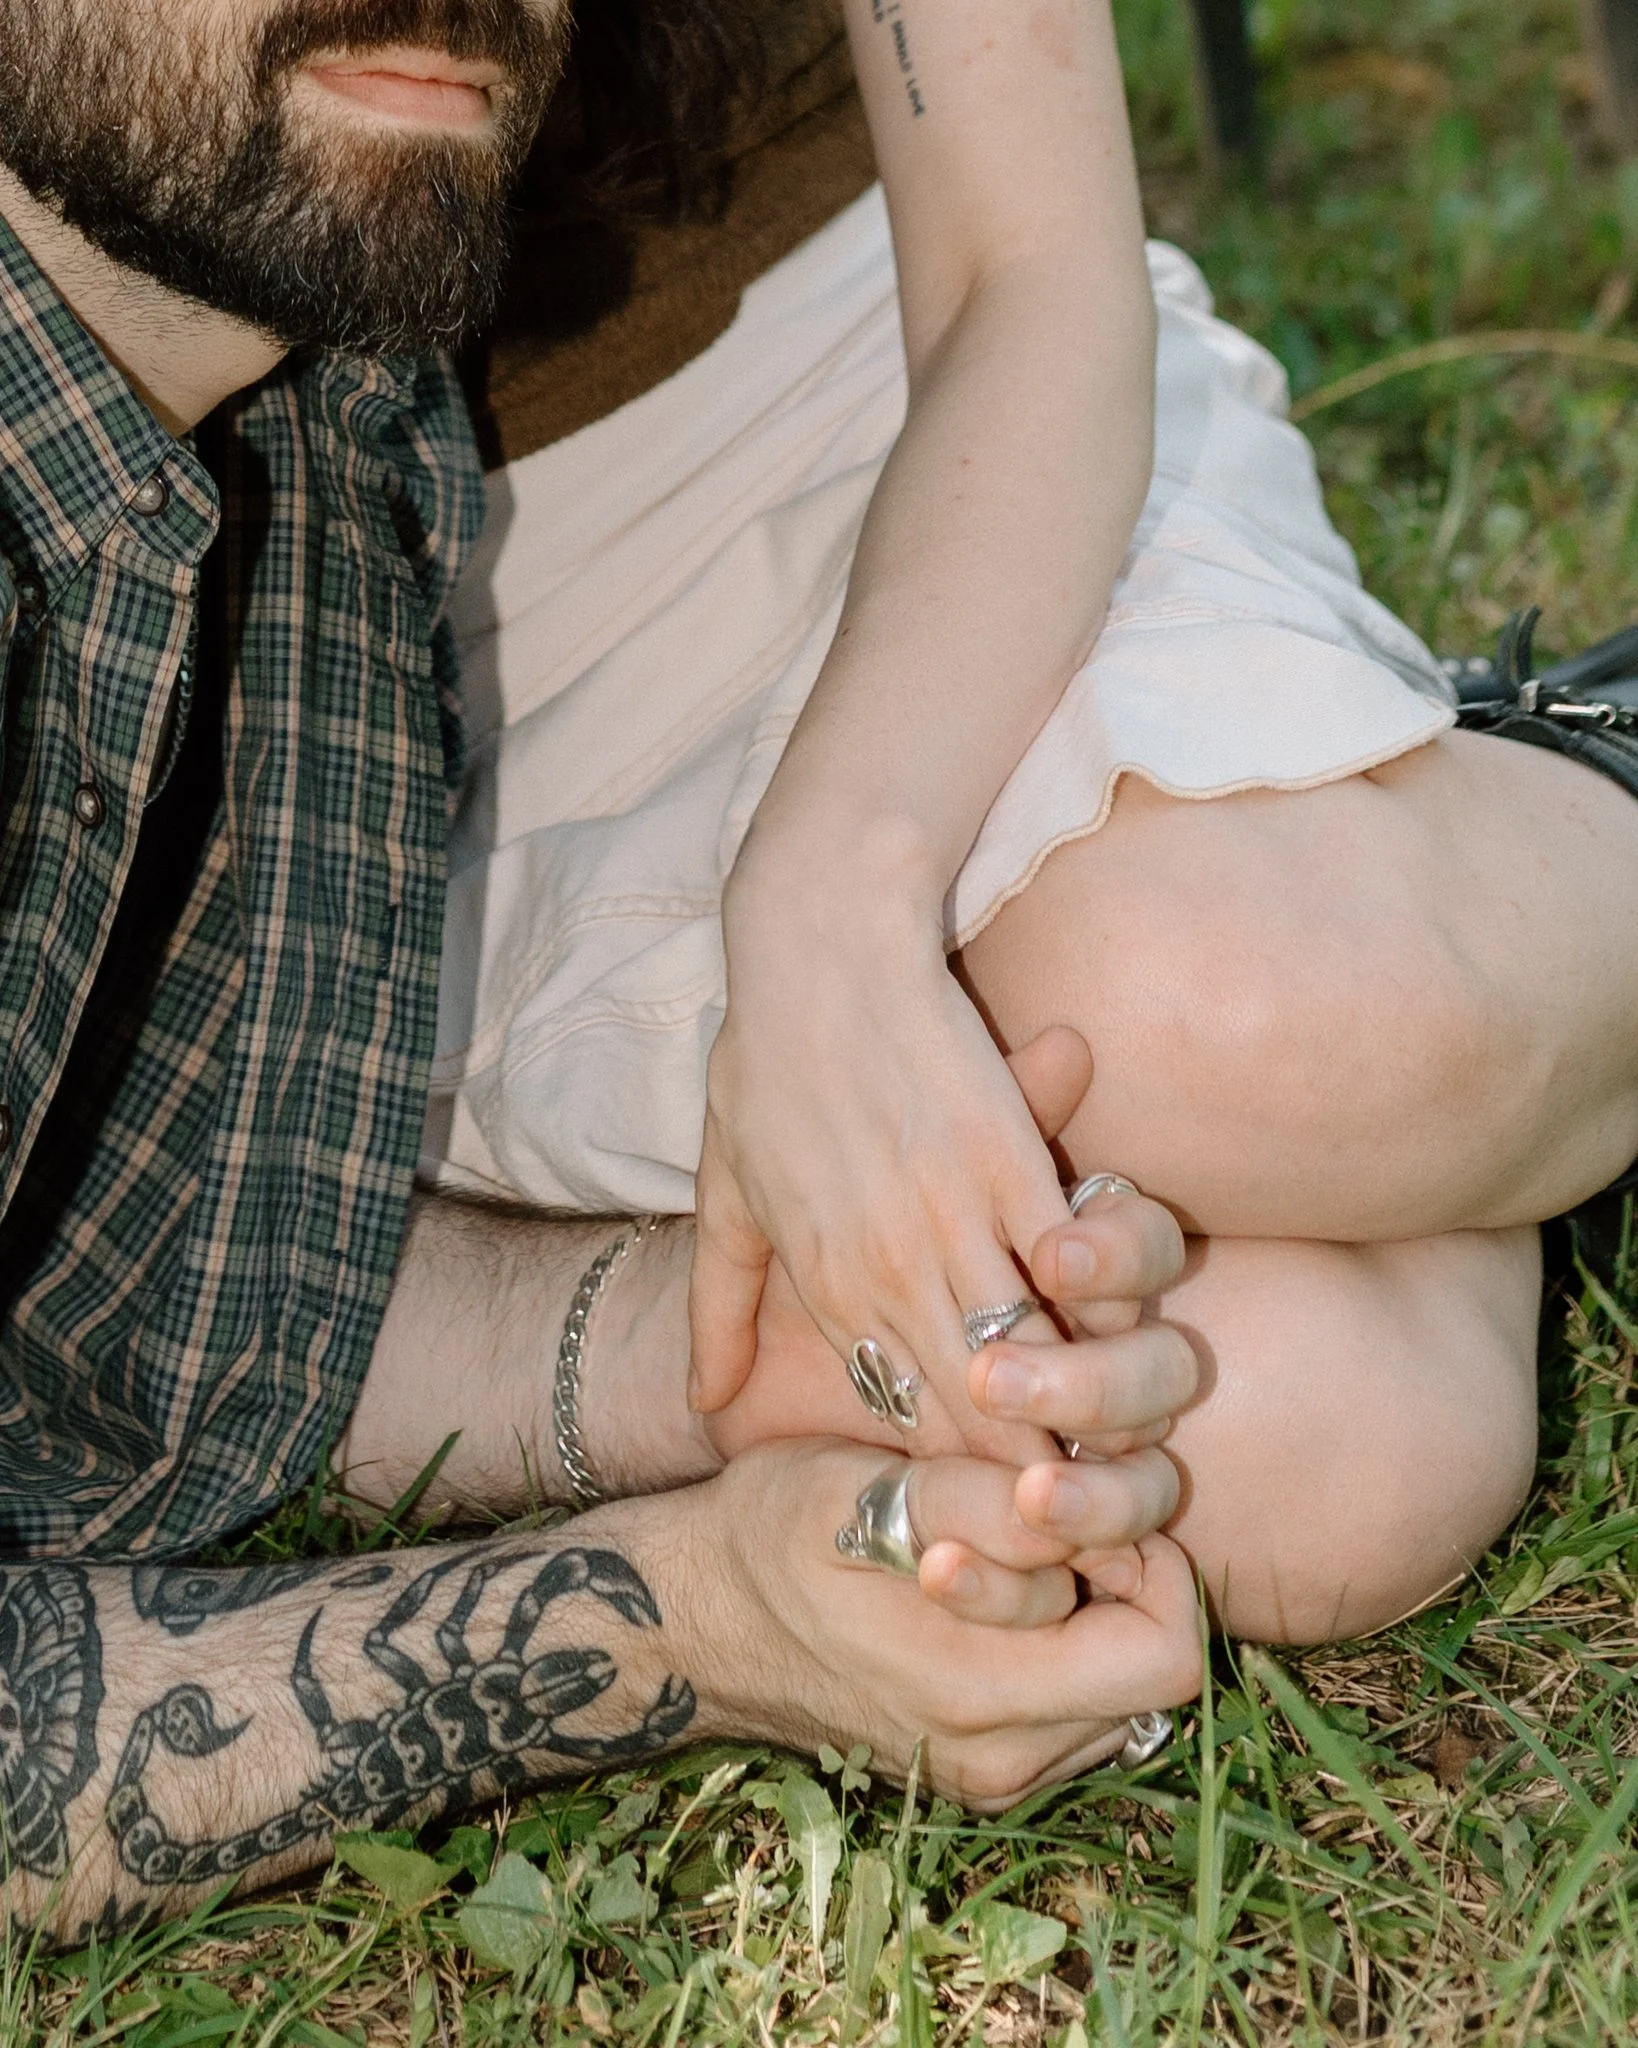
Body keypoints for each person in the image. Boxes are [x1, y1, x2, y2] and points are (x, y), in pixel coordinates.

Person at [0, 0, 1631, 1954]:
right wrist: (698, 1609)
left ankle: (1555, 805)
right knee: (1328, 1436)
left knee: (1253, 1009)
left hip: (834, 405)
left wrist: (836, 906)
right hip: (374, 536)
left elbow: (1028, 267)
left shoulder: (273, 393)